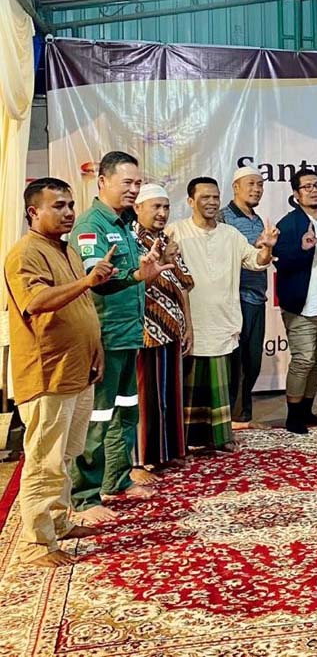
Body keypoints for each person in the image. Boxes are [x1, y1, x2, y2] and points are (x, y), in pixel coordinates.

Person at [4, 178, 113, 566]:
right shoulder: (25, 253)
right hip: (47, 373)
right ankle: (37, 544)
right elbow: (36, 302)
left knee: (66, 455)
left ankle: (58, 523)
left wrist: (96, 349)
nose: (68, 212)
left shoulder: (65, 250)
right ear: (34, 212)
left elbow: (81, 306)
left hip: (77, 369)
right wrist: (88, 280)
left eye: (70, 205)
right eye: (58, 206)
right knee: (44, 460)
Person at [69, 151, 172, 524]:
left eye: (137, 183)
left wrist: (144, 273)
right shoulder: (91, 225)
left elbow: (132, 274)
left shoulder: (126, 223)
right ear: (102, 181)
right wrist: (136, 277)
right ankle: (84, 497)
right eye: (126, 182)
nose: (133, 189)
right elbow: (96, 279)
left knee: (126, 411)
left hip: (130, 334)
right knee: (97, 417)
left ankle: (116, 479)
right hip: (104, 337)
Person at [167, 177, 278, 451]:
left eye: (215, 197)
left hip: (223, 321)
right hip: (191, 323)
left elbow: (256, 262)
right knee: (190, 387)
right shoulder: (176, 232)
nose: (212, 202)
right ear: (190, 201)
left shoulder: (230, 234)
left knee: (221, 386)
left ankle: (220, 437)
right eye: (205, 197)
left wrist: (267, 247)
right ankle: (185, 441)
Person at [273, 169, 317, 434]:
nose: (314, 190)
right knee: (303, 360)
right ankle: (293, 416)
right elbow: (281, 264)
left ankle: (306, 410)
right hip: (301, 306)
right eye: (307, 187)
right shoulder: (287, 225)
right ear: (296, 194)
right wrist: (303, 250)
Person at [133, 184, 194, 468]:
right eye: (155, 207)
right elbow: (131, 285)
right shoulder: (131, 240)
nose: (162, 213)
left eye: (166, 207)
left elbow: (183, 285)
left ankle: (167, 454)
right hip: (146, 330)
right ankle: (142, 460)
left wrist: (188, 327)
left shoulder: (167, 240)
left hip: (172, 329)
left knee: (170, 396)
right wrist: (160, 261)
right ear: (137, 208)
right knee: (147, 399)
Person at [218, 166, 267, 425]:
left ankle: (243, 415)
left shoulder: (258, 220)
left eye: (260, 185)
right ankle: (233, 417)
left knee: (252, 362)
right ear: (235, 187)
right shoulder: (222, 218)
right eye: (251, 184)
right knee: (235, 362)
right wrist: (253, 249)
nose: (256, 189)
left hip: (257, 298)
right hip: (235, 299)